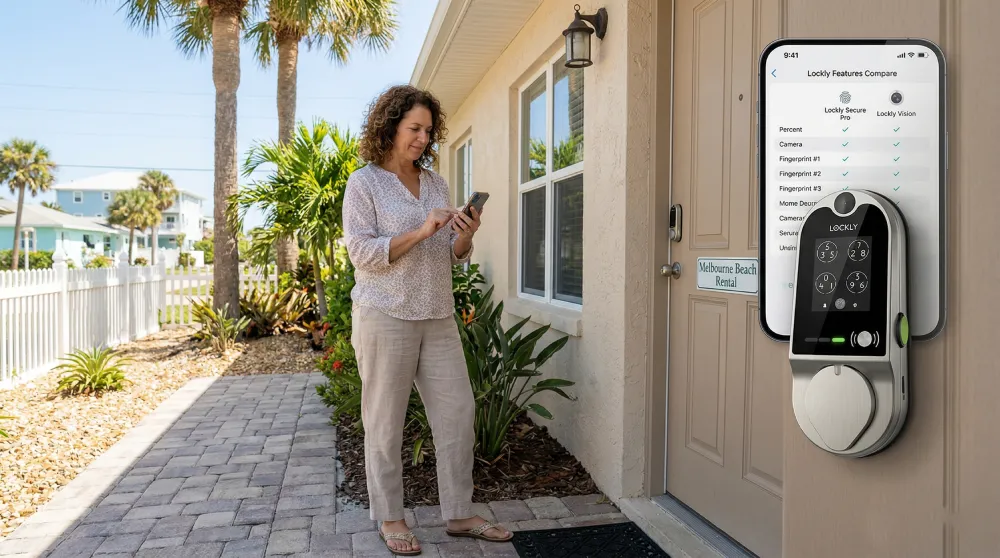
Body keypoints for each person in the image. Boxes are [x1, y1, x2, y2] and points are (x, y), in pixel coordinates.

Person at [342, 84, 513, 556]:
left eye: (427, 130)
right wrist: (422, 228)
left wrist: (464, 234)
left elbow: (451, 256)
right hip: (385, 314)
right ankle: (391, 517)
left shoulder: (436, 182)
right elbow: (362, 254)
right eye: (414, 128)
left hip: (437, 314)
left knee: (458, 414)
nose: (421, 138)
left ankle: (459, 513)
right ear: (391, 125)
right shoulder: (365, 183)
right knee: (384, 422)